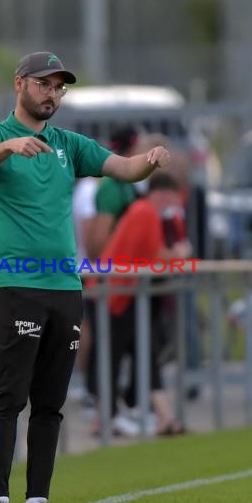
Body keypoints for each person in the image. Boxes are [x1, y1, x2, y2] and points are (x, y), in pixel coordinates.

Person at [0, 51, 170, 503]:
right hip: (18, 284)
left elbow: (123, 167)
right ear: (20, 84)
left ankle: (38, 501)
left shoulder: (68, 143)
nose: (52, 94)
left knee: (51, 400)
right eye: (44, 84)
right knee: (9, 396)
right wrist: (10, 147)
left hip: (64, 286)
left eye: (59, 88)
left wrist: (149, 161)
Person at [98, 172, 191, 435]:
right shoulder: (146, 212)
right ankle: (111, 416)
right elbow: (156, 255)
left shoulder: (143, 211)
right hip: (117, 293)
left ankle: (161, 415)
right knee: (114, 357)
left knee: (141, 353)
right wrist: (179, 256)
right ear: (163, 193)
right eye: (172, 196)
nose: (174, 202)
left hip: (122, 293)